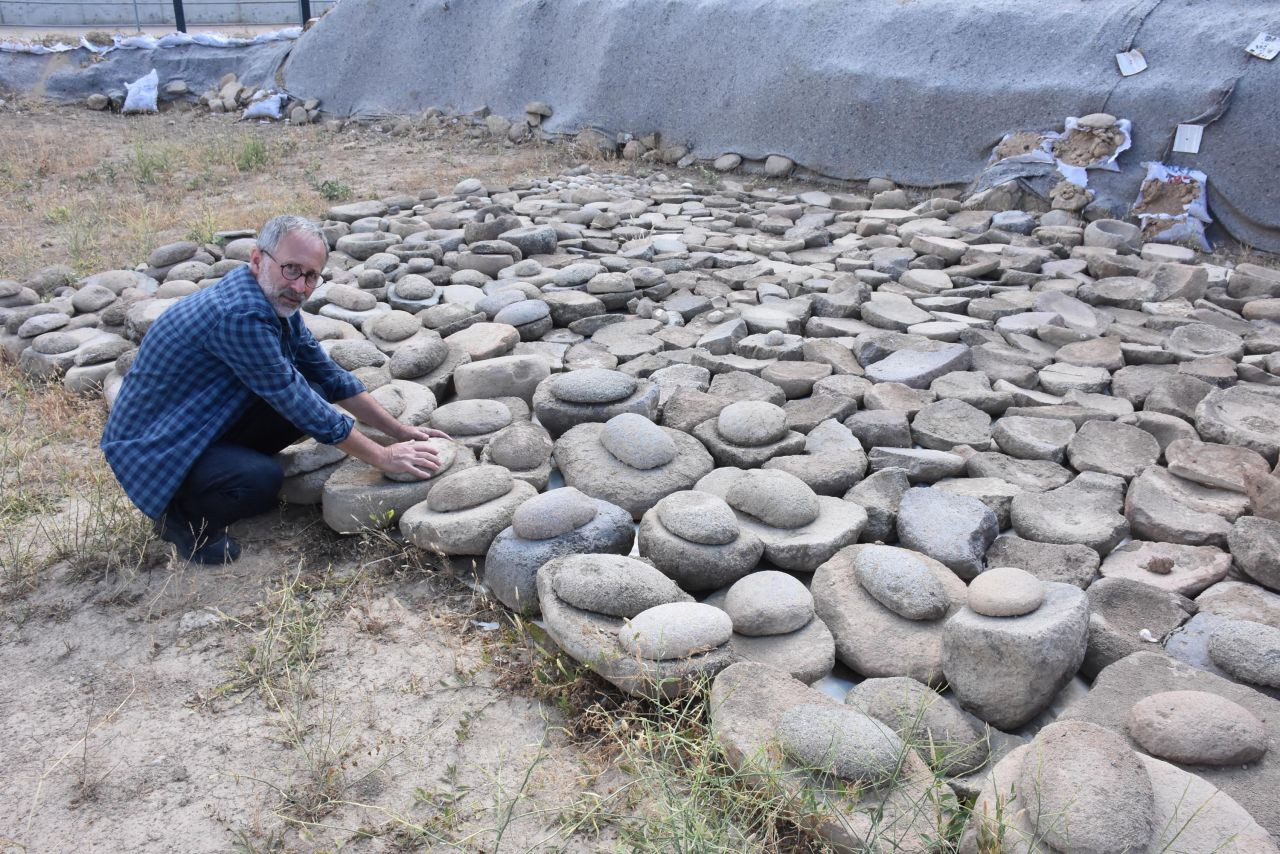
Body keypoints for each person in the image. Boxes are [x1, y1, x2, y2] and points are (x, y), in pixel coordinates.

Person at [101, 215, 448, 564]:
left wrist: (399, 430)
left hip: (193, 419)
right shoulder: (240, 314)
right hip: (153, 446)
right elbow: (295, 400)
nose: (300, 287)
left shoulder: (273, 299)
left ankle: (219, 471)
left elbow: (326, 375)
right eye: (292, 269)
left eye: (311, 275)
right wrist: (382, 456)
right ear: (257, 259)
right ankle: (181, 519)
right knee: (262, 480)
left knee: (312, 387)